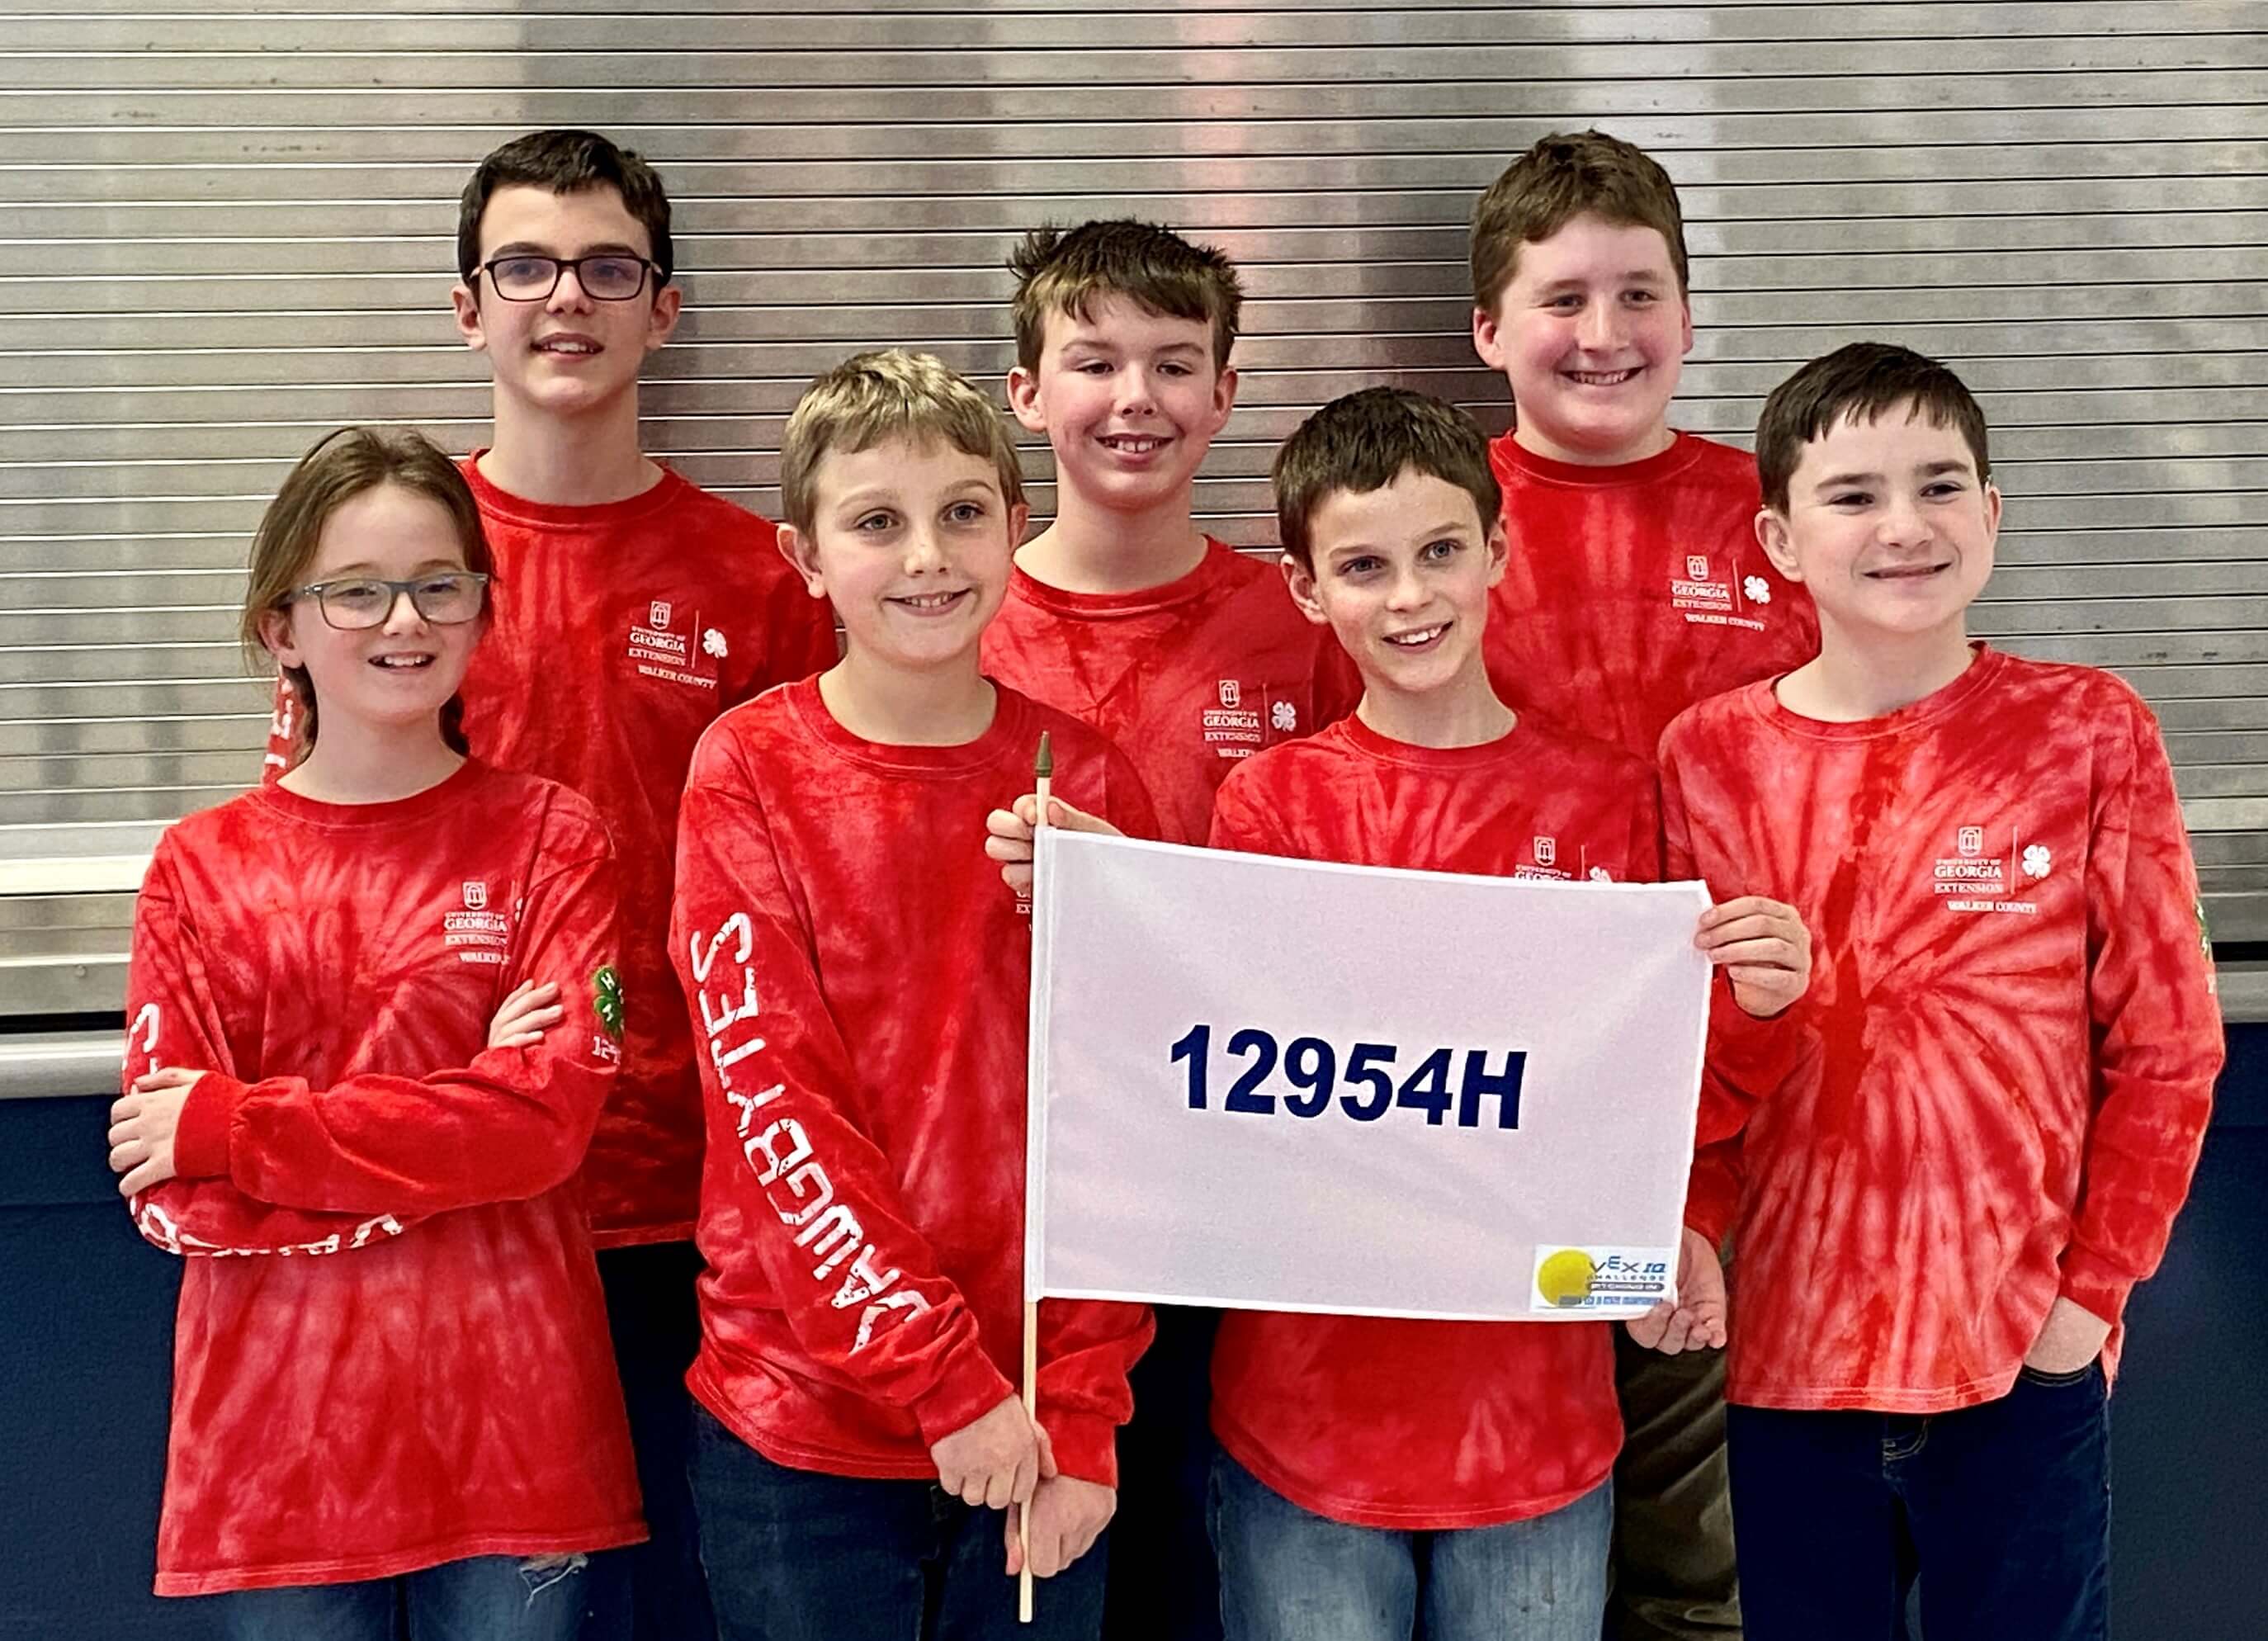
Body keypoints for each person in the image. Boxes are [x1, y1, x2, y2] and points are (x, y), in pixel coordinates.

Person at [987, 386, 1808, 1641]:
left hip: (1537, 1426)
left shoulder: (1604, 802)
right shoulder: (1271, 806)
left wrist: (1749, 1031)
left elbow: (1651, 1084)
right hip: (1304, 1428)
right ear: (1308, 593)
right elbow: (1214, 1077)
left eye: (1439, 553)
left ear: (1496, 551)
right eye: (1365, 568)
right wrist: (1120, 901)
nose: (1412, 597)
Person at [262, 130, 839, 1638]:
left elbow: (817, 897)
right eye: (525, 266)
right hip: (448, 1211)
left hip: (696, 1207)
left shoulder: (756, 578)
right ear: (470, 305)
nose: (564, 300)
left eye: (606, 268)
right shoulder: (394, 563)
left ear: (665, 306)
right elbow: (302, 867)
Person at [1660, 343, 2224, 1640]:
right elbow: (1694, 1062)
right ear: (1780, 539)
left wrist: (2086, 1305)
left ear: (1992, 516)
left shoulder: (2088, 729)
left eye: (1941, 485)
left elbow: (2170, 1047)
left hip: (2021, 1360)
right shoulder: (1712, 758)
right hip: (1793, 1370)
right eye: (1853, 494)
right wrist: (1687, 1222)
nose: (1903, 526)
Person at [107, 427, 641, 1637]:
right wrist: (464, 1104)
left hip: (513, 1446)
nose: (405, 621)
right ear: (280, 627)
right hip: (275, 1456)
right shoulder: (199, 872)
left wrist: (234, 1123)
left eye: (438, 584)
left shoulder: (554, 842)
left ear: (482, 609)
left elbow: (545, 1129)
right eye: (356, 591)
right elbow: (173, 1200)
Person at [670, 350, 1157, 1641]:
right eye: (877, 522)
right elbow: (777, 1108)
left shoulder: (1085, 775)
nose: (928, 555)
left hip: (1044, 1430)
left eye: (961, 513)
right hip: (806, 1430)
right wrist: (944, 1380)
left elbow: (1125, 1116)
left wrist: (1084, 1406)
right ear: (807, 555)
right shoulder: (750, 771)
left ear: (1016, 526)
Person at [1466, 128, 1820, 1639]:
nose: (1602, 336)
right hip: (1475, 1123)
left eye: (1638, 294)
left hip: (1731, 1136)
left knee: (1697, 1561)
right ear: (1488, 330)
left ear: (1689, 313)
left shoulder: (1788, 522)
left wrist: (1703, 1170)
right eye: (1560, 299)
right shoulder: (1422, 528)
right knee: (1498, 1540)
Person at [985, 216, 1354, 1639]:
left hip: (1247, 1187)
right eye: (1092, 363)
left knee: (1214, 1571)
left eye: (1173, 364)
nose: (1133, 399)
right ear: (1025, 395)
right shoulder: (951, 613)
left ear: (1226, 394)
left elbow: (1353, 897)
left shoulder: (1299, 622)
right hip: (1027, 1203)